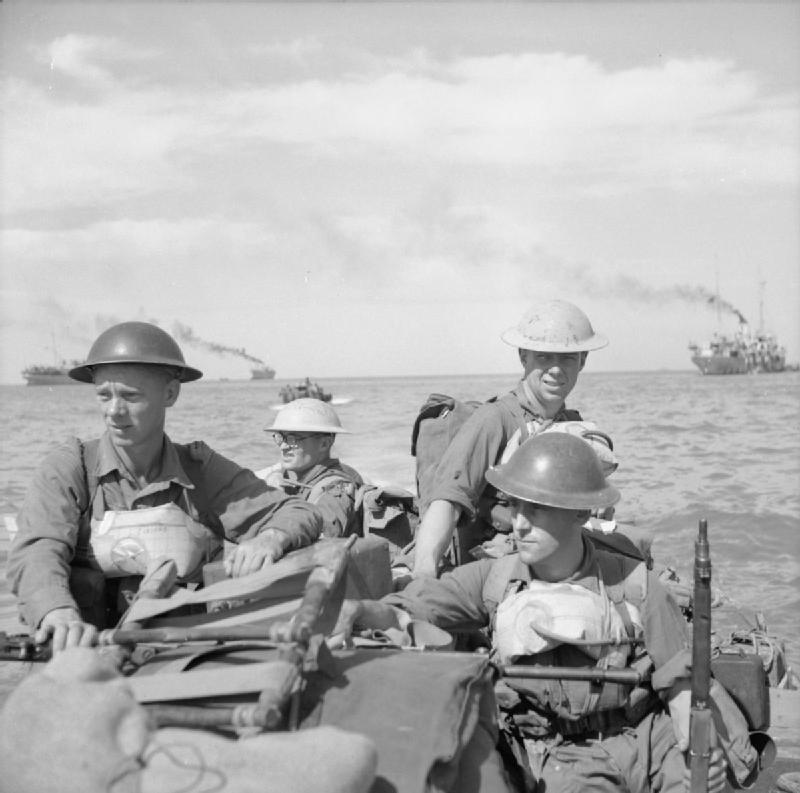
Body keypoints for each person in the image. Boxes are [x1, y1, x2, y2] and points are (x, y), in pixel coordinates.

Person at [333, 433, 737, 793]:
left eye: (538, 510)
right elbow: (420, 604)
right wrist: (364, 611)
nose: (519, 525)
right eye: (516, 508)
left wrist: (698, 747)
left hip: (649, 736)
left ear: (581, 513)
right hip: (563, 754)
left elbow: (680, 675)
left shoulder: (635, 581)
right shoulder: (494, 581)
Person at [7, 321, 322, 652]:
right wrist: (56, 612)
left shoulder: (200, 471)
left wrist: (270, 540)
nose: (114, 411)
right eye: (104, 395)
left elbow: (296, 510)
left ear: (170, 394)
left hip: (176, 654)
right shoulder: (71, 467)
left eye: (130, 396)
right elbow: (38, 547)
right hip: (83, 652)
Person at [412, 298, 612, 579]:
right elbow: (447, 501)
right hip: (501, 566)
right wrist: (424, 576)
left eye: (567, 357)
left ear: (583, 361)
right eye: (543, 357)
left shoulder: (571, 427)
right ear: (523, 357)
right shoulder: (496, 420)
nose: (556, 369)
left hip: (562, 561)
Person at [256, 398, 364, 538]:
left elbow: (325, 531)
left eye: (293, 439)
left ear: (324, 444)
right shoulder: (290, 478)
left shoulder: (337, 488)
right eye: (280, 438)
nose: (283, 446)